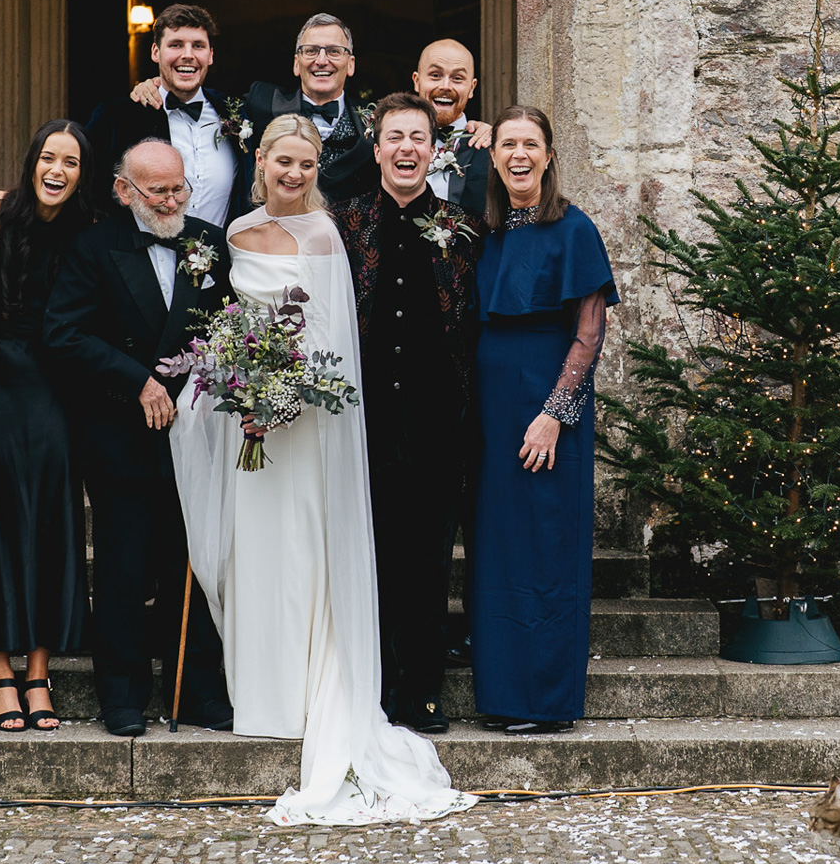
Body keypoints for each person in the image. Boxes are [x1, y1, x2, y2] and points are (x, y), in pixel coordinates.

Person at [169, 114, 475, 826]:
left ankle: (311, 693)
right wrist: (236, 387)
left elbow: (338, 342)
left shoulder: (327, 236)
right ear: (263, 163)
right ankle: (261, 693)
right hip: (250, 425)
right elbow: (219, 329)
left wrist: (289, 396)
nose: (295, 174)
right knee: (256, 550)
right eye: (284, 162)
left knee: (306, 549)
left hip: (306, 427)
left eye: (307, 164)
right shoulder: (235, 235)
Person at [41, 139, 234, 736]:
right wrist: (138, 380)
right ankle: (121, 696)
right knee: (124, 567)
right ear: (125, 191)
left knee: (193, 562)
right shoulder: (93, 247)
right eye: (160, 190)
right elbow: (62, 333)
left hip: (195, 433)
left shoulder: (207, 241)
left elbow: (230, 323)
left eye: (180, 188)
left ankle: (194, 689)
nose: (174, 200)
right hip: (120, 433)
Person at [331, 93, 485, 734]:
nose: (406, 149)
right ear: (377, 149)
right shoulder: (342, 226)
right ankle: (369, 684)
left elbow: (477, 330)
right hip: (357, 423)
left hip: (436, 420)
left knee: (425, 560)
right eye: (394, 137)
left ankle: (421, 690)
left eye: (418, 138)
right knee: (365, 555)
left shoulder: (464, 230)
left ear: (434, 148)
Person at [468, 107, 619, 735]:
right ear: (495, 157)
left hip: (546, 404)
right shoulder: (489, 232)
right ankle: (501, 694)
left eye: (531, 144)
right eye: (508, 145)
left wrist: (554, 415)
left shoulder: (574, 228)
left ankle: (544, 699)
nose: (519, 155)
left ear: (549, 155)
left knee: (545, 544)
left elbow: (589, 331)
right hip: (490, 404)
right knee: (496, 547)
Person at [0, 120, 94, 732]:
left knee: (49, 522)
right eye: (47, 157)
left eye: (70, 161)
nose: (56, 170)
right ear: (31, 161)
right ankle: (0, 670)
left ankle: (38, 670)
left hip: (55, 388)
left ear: (82, 173)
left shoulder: (89, 231)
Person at [90, 3, 252, 226]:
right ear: (156, 52)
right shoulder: (118, 116)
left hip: (221, 256)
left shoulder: (236, 112)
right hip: (140, 257)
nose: (188, 55)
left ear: (211, 55)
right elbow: (92, 191)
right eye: (176, 45)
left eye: (198, 46)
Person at [244, 14, 379, 202]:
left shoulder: (377, 119)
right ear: (296, 64)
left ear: (350, 65)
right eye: (311, 51)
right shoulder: (261, 101)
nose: (322, 60)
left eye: (334, 51)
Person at [413, 38, 492, 213]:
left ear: (472, 88)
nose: (445, 86)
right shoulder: (390, 142)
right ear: (417, 81)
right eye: (435, 75)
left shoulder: (490, 146)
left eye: (457, 78)